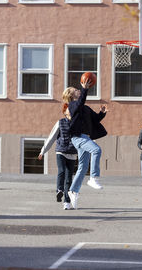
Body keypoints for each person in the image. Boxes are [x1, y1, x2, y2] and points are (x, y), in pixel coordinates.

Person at [62, 78, 108, 209]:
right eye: (76, 90)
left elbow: (95, 119)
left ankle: (73, 191)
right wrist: (85, 89)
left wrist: (102, 113)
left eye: (78, 89)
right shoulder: (72, 106)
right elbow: (80, 101)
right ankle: (93, 177)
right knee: (96, 150)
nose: (78, 90)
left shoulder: (85, 108)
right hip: (78, 137)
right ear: (71, 95)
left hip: (86, 138)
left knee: (82, 166)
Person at [38, 104, 77, 210]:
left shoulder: (78, 123)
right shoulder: (60, 122)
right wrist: (43, 151)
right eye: (68, 109)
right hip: (61, 151)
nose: (71, 111)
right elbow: (51, 137)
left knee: (69, 178)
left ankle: (67, 202)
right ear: (65, 112)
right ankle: (59, 190)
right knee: (61, 171)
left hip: (73, 153)